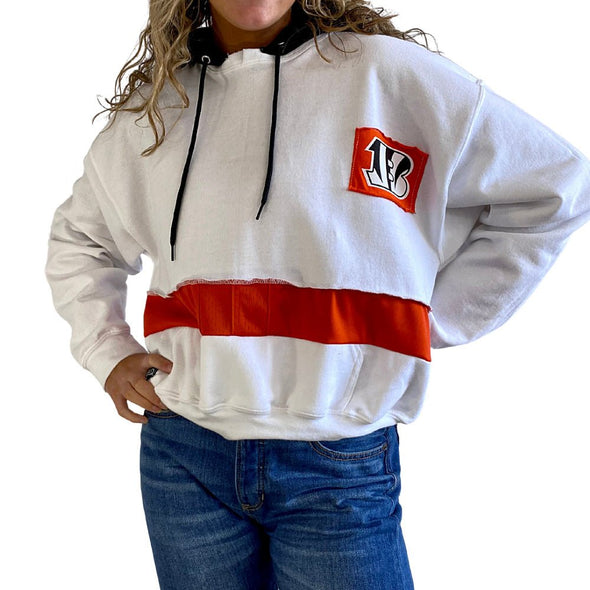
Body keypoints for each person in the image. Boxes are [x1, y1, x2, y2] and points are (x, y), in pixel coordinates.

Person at [45, 0, 590, 588]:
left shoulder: (386, 75)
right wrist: (107, 351)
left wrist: (428, 321)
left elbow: (555, 187)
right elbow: (81, 238)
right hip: (184, 454)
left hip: (337, 459)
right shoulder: (158, 107)